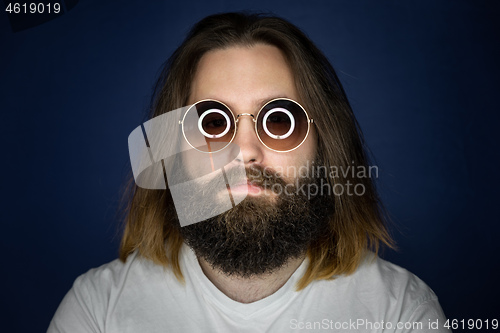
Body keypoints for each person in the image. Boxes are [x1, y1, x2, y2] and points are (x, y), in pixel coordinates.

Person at [48, 12, 449, 332]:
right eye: (211, 123)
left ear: (325, 146)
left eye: (279, 121)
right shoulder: (96, 313)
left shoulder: (400, 315)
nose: (245, 153)